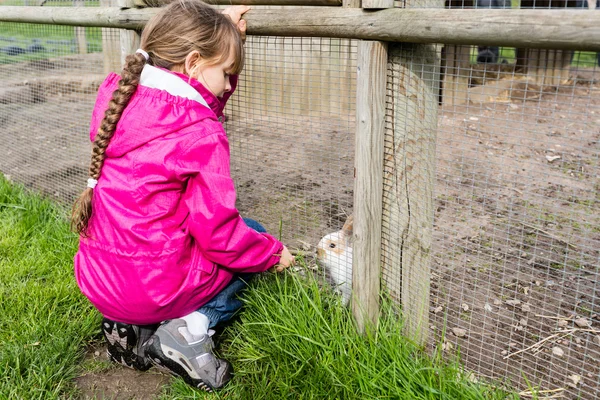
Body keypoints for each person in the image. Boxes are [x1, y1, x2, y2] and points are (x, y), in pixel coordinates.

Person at [71, 0, 295, 392]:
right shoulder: (201, 134)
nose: (228, 85)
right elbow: (219, 235)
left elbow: (193, 103)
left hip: (100, 282)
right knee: (251, 237)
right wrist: (273, 254)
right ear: (193, 63)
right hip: (151, 290)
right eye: (226, 74)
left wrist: (222, 33)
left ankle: (127, 328)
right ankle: (188, 332)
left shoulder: (119, 97)